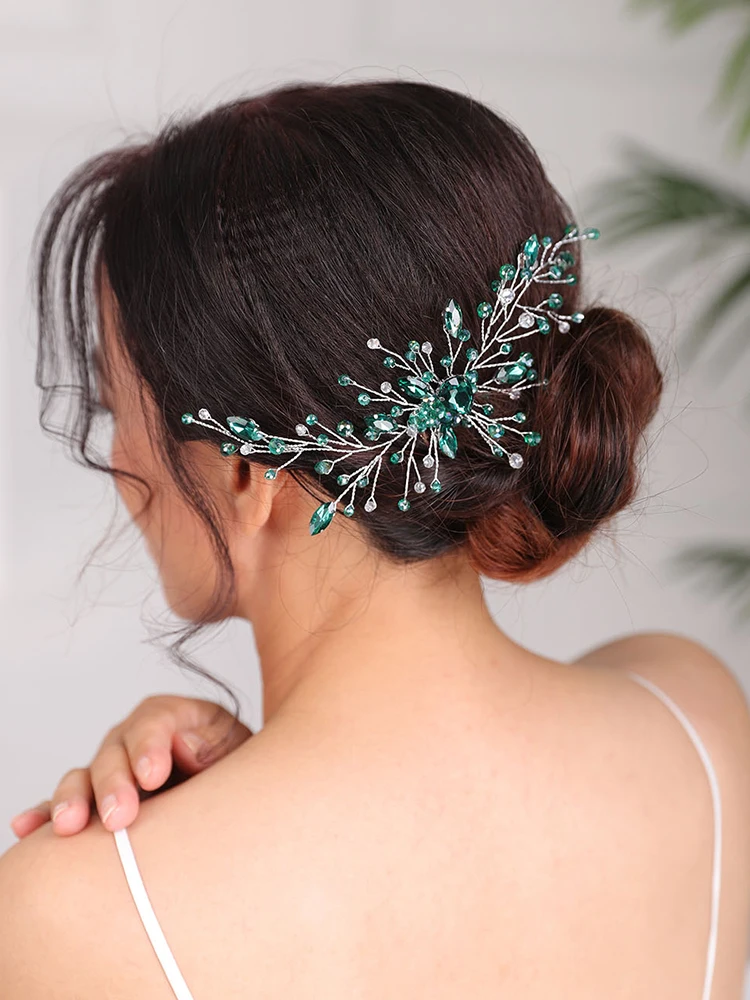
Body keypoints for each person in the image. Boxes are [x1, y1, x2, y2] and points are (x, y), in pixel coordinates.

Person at [2, 78, 749, 1000]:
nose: (116, 459)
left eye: (119, 408)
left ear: (246, 477)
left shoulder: (76, 916)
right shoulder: (695, 718)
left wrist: (173, 844)